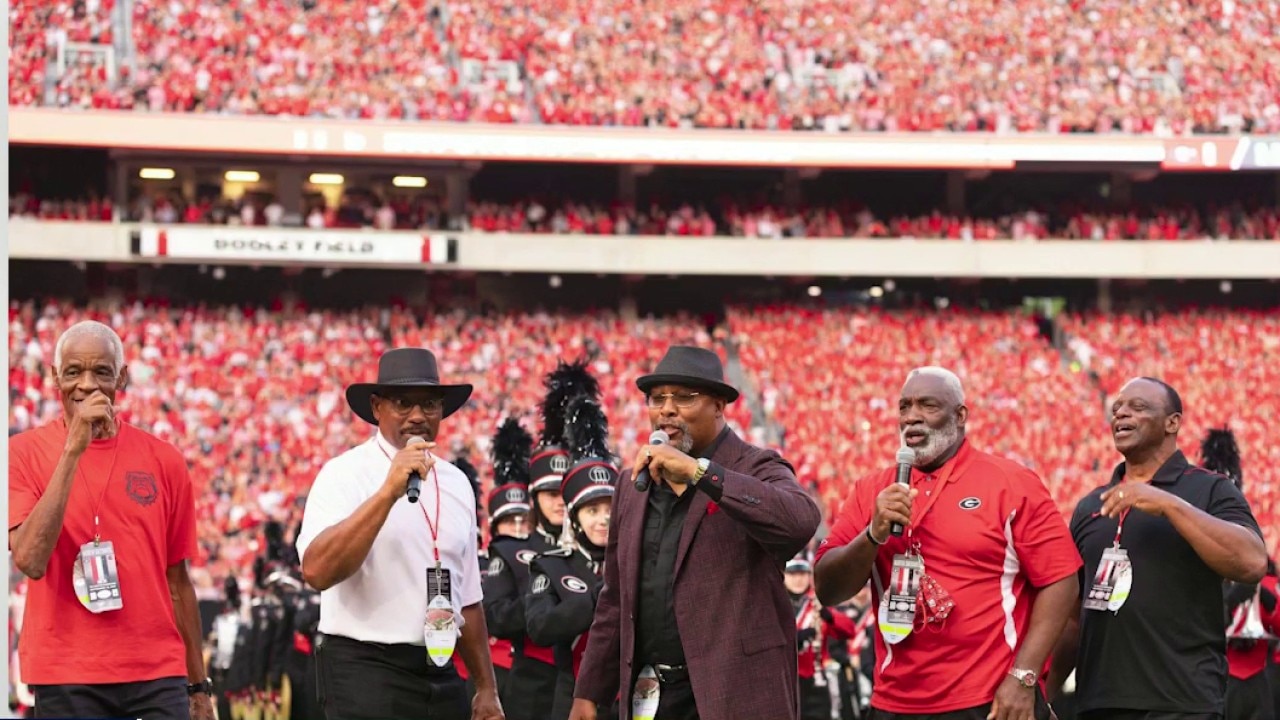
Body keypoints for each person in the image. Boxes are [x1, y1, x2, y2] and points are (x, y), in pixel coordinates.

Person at [570, 345, 823, 720]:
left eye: (683, 398)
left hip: (735, 693)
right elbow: (616, 598)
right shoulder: (632, 483)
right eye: (657, 399)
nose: (666, 409)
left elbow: (800, 520)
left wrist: (699, 472)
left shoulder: (755, 466)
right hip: (652, 694)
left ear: (720, 405)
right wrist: (589, 692)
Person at [814, 366, 1081, 720]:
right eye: (904, 407)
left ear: (960, 416)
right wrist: (873, 535)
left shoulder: (1011, 482)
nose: (912, 417)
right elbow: (828, 588)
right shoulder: (871, 490)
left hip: (988, 699)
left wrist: (1024, 676)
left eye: (927, 405)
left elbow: (1061, 580)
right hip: (893, 701)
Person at [8, 320, 216, 720]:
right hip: (68, 674)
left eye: (101, 372)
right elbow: (30, 559)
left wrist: (198, 687)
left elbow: (178, 582)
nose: (86, 384)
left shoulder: (164, 459)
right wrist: (73, 450)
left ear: (121, 377)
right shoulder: (21, 453)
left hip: (157, 674)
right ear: (54, 377)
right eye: (73, 372)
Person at [296, 347, 504, 720]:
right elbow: (316, 571)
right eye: (403, 403)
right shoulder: (343, 473)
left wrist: (486, 687)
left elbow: (468, 595)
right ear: (376, 408)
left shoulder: (457, 482)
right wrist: (388, 492)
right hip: (365, 669)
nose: (417, 416)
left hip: (440, 669)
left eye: (429, 405)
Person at [1048, 377, 1268, 720]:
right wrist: (1047, 690)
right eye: (1117, 408)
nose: (1121, 414)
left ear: (1172, 422)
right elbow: (1075, 617)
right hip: (1099, 701)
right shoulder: (1089, 506)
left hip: (1182, 700)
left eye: (1137, 407)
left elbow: (1252, 562)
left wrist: (1168, 504)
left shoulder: (1211, 490)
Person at [494, 361, 600, 720]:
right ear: (534, 497)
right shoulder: (511, 552)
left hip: (590, 682)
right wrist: (549, 604)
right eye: (548, 492)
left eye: (563, 492)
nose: (557, 500)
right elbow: (496, 616)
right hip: (533, 685)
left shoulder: (597, 549)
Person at [526, 395, 619, 720]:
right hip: (573, 700)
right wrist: (600, 597)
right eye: (592, 511)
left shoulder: (638, 565)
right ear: (575, 519)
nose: (603, 519)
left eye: (610, 510)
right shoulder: (550, 565)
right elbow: (540, 627)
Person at [1200, 427, 1279, 720]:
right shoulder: (1198, 571)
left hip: (1257, 680)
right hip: (1212, 680)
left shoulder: (1263, 580)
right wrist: (1230, 601)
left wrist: (1266, 600)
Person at [482, 418, 538, 700]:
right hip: (494, 667)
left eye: (523, 521)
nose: (517, 529)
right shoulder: (487, 563)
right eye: (509, 522)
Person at [784, 555, 860, 720]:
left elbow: (849, 630)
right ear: (784, 576)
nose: (798, 579)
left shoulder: (817, 604)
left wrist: (829, 617)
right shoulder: (778, 605)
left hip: (816, 681)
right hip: (787, 681)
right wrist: (793, 639)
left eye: (802, 574)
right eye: (792, 574)